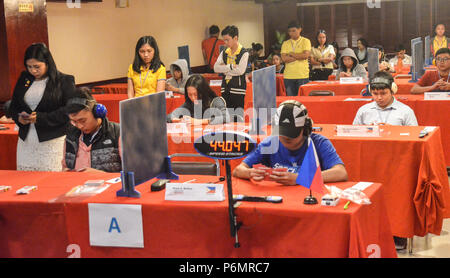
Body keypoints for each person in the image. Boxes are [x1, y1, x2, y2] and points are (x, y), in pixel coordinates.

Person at [233, 100, 348, 185]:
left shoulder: (319, 143)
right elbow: (238, 170)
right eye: (282, 132)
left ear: (305, 129)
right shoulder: (269, 144)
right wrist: (250, 173)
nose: (286, 137)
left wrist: (300, 178)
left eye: (292, 132)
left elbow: (341, 173)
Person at [8, 43, 76, 171]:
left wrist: (41, 118)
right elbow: (14, 106)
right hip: (27, 141)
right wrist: (19, 118)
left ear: (47, 63)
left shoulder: (64, 80)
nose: (33, 70)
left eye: (37, 67)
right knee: (26, 181)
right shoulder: (24, 79)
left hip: (52, 139)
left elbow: (70, 110)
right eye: (29, 66)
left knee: (50, 181)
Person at [62, 87, 121, 173]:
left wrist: (101, 175)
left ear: (97, 113)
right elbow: (64, 167)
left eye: (83, 121)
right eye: (74, 121)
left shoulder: (117, 133)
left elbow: (132, 174)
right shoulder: (70, 137)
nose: (79, 126)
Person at [353, 71, 418, 126]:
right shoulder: (363, 111)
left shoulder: (406, 111)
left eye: (383, 93)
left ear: (393, 90)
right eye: (375, 94)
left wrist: (396, 131)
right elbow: (354, 136)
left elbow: (415, 135)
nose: (379, 98)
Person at [214, 25, 249, 111]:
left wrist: (225, 71)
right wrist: (230, 66)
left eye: (227, 40)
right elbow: (216, 68)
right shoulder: (224, 52)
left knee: (238, 117)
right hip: (225, 88)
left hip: (238, 89)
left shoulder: (244, 53)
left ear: (235, 38)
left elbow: (240, 71)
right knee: (226, 117)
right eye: (224, 40)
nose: (225, 43)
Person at [281, 21, 312, 96]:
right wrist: (299, 56)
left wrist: (291, 54)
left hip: (302, 75)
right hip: (288, 76)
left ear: (299, 30)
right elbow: (284, 59)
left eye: (294, 30)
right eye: (289, 31)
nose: (291, 33)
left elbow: (305, 56)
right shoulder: (285, 43)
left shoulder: (306, 41)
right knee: (291, 101)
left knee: (303, 100)